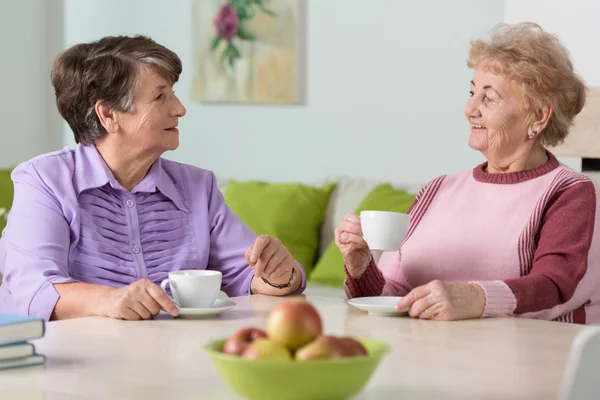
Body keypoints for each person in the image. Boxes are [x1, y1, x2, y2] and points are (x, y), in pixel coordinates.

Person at [0, 35, 305, 322]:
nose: (180, 109)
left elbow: (246, 276)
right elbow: (33, 287)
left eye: (173, 93)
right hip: (69, 365)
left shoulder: (199, 187)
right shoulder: (45, 180)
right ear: (108, 115)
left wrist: (278, 276)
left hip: (175, 357)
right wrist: (108, 300)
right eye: (160, 96)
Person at [335, 22, 600, 324]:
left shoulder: (569, 192)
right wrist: (361, 269)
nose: (469, 108)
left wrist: (474, 297)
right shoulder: (438, 189)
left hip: (530, 360)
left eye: (489, 98)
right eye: (472, 92)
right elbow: (395, 295)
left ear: (538, 115)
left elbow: (555, 286)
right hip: (432, 354)